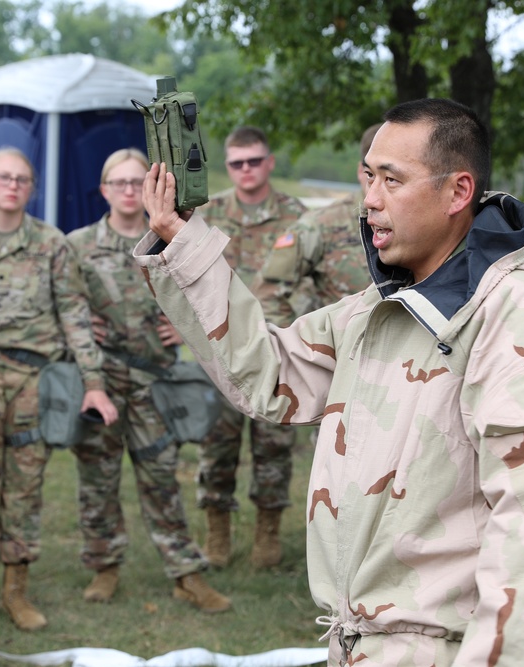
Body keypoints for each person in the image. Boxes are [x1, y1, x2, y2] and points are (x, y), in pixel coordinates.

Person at [135, 98, 524, 666]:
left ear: (458, 192)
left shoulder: (519, 313)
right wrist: (182, 241)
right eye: (368, 176)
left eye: (392, 180)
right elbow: (268, 374)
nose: (370, 199)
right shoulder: (380, 309)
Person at [0, 147, 118, 633]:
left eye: (22, 179)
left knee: (27, 488)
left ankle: (16, 592)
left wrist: (93, 384)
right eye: (3, 177)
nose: (12, 186)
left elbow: (75, 317)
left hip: (36, 383)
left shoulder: (52, 245)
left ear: (31, 189)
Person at [66, 148, 231, 613]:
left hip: (153, 380)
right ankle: (104, 566)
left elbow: (206, 294)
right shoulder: (77, 246)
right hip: (99, 375)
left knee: (161, 477)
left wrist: (184, 326)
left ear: (148, 189)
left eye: (134, 182)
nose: (124, 191)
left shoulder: (167, 240)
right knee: (97, 478)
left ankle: (186, 573)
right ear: (103, 190)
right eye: (116, 183)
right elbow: (64, 306)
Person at [194, 126, 308, 568]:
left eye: (255, 161)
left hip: (274, 350)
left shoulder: (296, 215)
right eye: (238, 163)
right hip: (219, 352)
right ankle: (217, 533)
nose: (247, 170)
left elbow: (310, 278)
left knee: (273, 446)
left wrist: (291, 324)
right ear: (228, 167)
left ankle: (268, 534)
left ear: (270, 162)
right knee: (216, 446)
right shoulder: (208, 213)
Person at [252, 123, 380, 326]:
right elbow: (268, 292)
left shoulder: (420, 223)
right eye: (372, 173)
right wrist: (300, 349)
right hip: (343, 351)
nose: (381, 183)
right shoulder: (321, 224)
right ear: (360, 171)